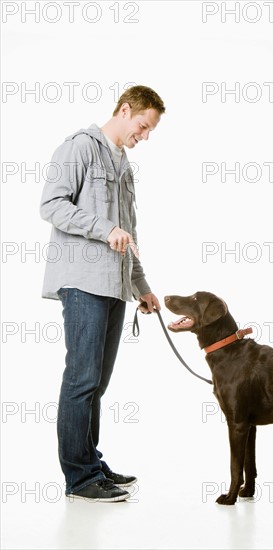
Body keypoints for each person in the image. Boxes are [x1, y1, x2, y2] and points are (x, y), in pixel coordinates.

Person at [40, 85, 165, 502]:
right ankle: (80, 479)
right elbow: (51, 205)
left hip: (114, 287)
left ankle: (91, 461)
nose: (144, 136)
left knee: (97, 383)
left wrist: (142, 287)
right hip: (82, 283)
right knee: (81, 379)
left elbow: (128, 234)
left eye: (149, 131)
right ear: (125, 110)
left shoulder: (124, 165)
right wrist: (103, 229)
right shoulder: (79, 147)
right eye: (143, 126)